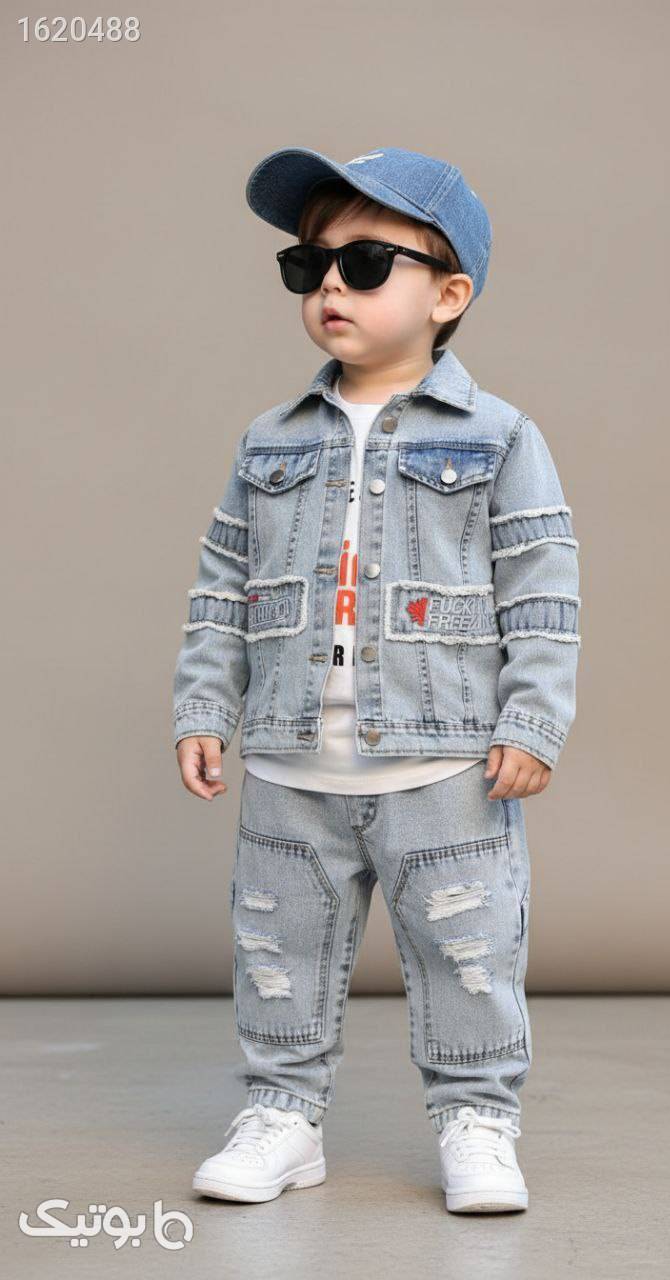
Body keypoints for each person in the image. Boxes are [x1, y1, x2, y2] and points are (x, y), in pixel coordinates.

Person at [172, 146, 581, 1213]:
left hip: (443, 765)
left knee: (467, 952)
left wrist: (531, 721)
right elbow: (221, 585)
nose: (329, 287)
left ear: (449, 295)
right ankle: (281, 1115)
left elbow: (542, 588)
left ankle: (477, 1120)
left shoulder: (499, 437)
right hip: (289, 760)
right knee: (276, 950)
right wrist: (205, 706)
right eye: (307, 265)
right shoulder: (268, 441)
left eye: (361, 262)